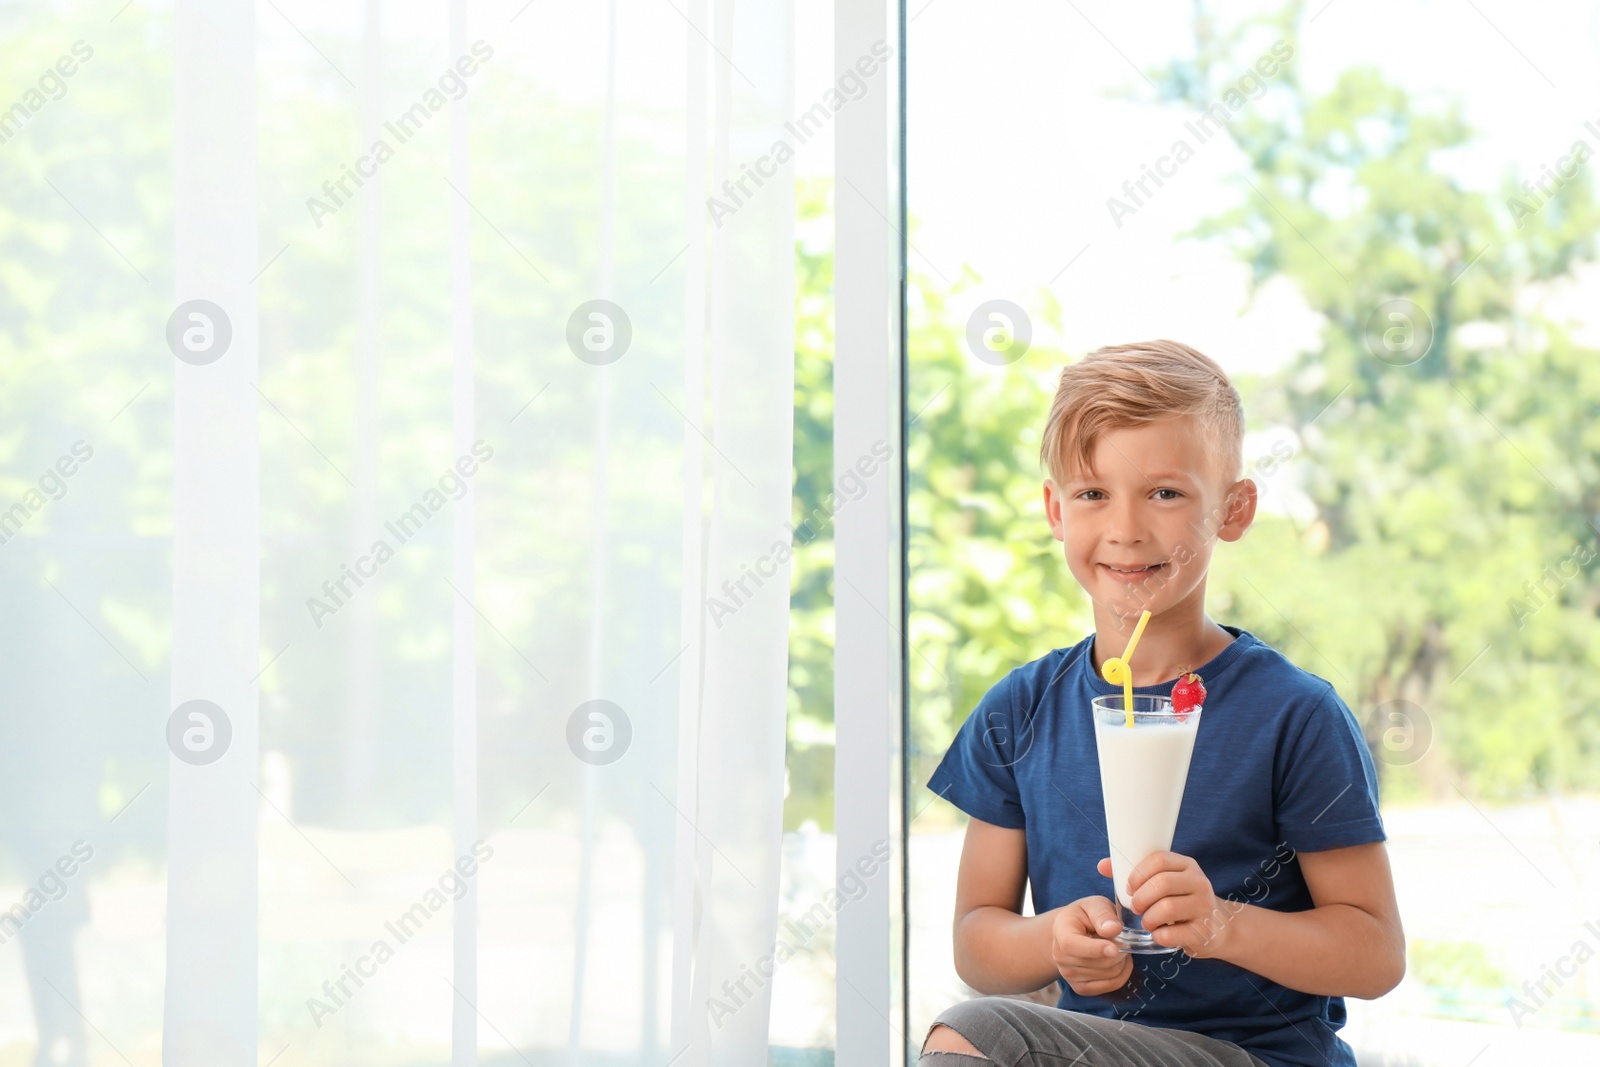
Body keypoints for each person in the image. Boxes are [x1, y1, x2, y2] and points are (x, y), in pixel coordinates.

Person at [919, 341, 1403, 1067]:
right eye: (1092, 493)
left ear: (1233, 509)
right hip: (1102, 1045)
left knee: (970, 1036)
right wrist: (1051, 940)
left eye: (1166, 493)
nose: (1126, 528)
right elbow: (977, 939)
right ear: (1055, 509)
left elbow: (1376, 953)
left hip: (1256, 1056)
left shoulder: (1295, 715)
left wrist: (1221, 925)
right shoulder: (1018, 710)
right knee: (979, 1022)